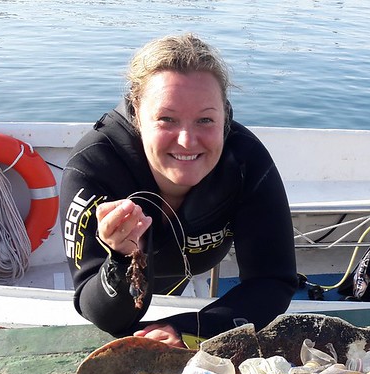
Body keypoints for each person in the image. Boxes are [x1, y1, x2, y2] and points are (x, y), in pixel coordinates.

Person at [61, 33, 298, 348]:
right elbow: (103, 315)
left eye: (205, 120)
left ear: (225, 115)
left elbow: (273, 279)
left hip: (192, 276)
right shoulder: (94, 168)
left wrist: (192, 328)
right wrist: (120, 259)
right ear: (137, 115)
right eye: (166, 119)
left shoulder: (244, 161)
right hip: (135, 292)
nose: (187, 141)